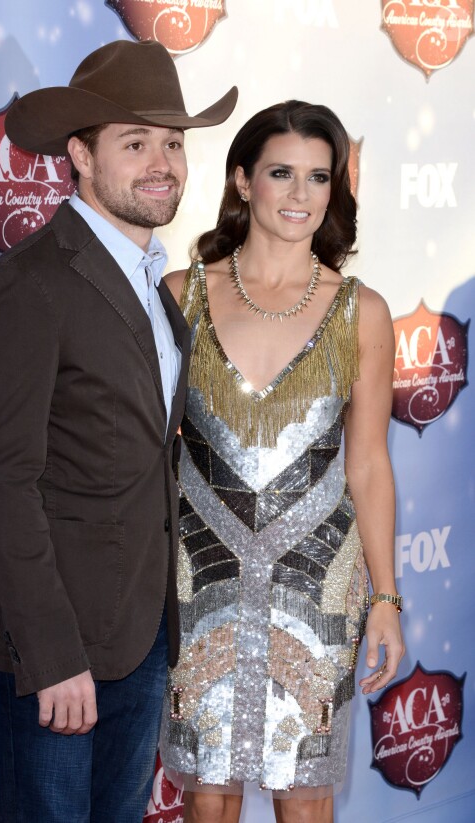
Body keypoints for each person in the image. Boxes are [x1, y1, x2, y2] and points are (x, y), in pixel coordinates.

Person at [0, 39, 237, 823]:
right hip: (51, 652)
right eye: (136, 141)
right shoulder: (27, 286)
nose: (163, 163)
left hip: (140, 639)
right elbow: (2, 484)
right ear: (79, 154)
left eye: (174, 142)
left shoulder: (156, 288)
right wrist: (53, 657)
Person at [159, 101, 405, 823]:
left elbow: (368, 464)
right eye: (281, 173)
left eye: (319, 177)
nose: (301, 195)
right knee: (207, 792)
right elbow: (149, 453)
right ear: (242, 180)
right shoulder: (181, 295)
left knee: (306, 795)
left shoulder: (363, 311)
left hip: (317, 583)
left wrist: (385, 600)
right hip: (199, 575)